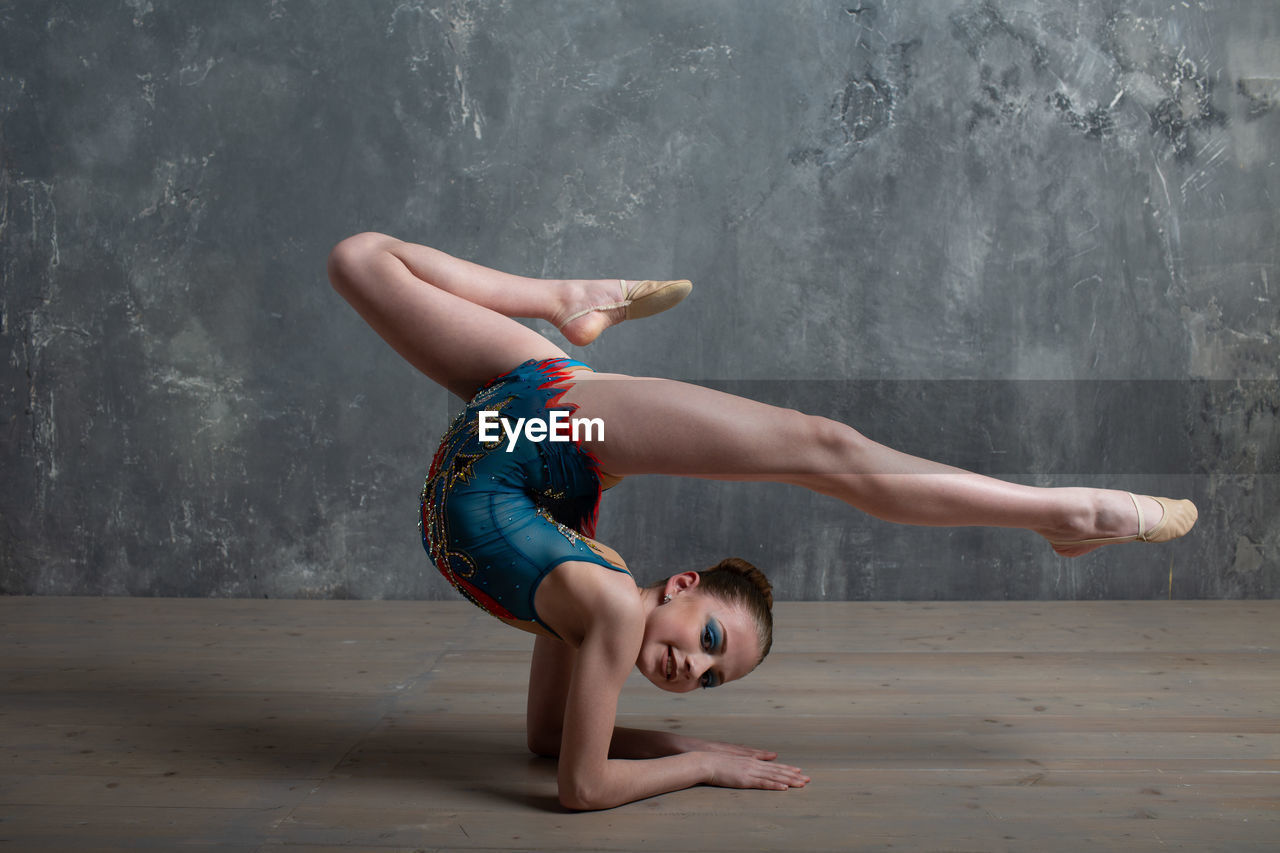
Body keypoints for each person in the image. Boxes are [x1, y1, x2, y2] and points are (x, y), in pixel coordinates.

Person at [326, 231, 1197, 810]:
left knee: (361, 261)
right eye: (708, 637)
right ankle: (1064, 511)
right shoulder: (609, 603)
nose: (686, 666)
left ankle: (567, 299)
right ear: (681, 584)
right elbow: (580, 787)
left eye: (707, 674)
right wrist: (702, 763)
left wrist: (685, 736)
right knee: (823, 445)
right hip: (549, 426)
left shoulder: (588, 599)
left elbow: (550, 743)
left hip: (524, 433)